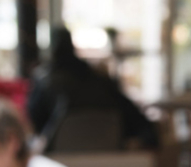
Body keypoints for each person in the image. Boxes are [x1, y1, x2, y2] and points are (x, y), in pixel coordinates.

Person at [27, 27, 158, 151]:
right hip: (110, 156)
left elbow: (34, 120)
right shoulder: (99, 80)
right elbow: (136, 119)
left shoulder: (45, 81)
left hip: (61, 158)